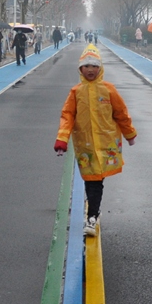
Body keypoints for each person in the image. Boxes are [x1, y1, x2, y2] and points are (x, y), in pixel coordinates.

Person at [55, 45, 137, 238]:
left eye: (94, 66)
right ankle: (93, 213)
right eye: (86, 66)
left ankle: (92, 215)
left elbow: (121, 113)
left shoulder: (109, 90)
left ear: (100, 68)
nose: (90, 70)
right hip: (86, 146)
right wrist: (62, 139)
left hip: (106, 144)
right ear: (80, 69)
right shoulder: (76, 92)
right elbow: (67, 115)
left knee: (96, 181)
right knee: (91, 179)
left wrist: (129, 133)